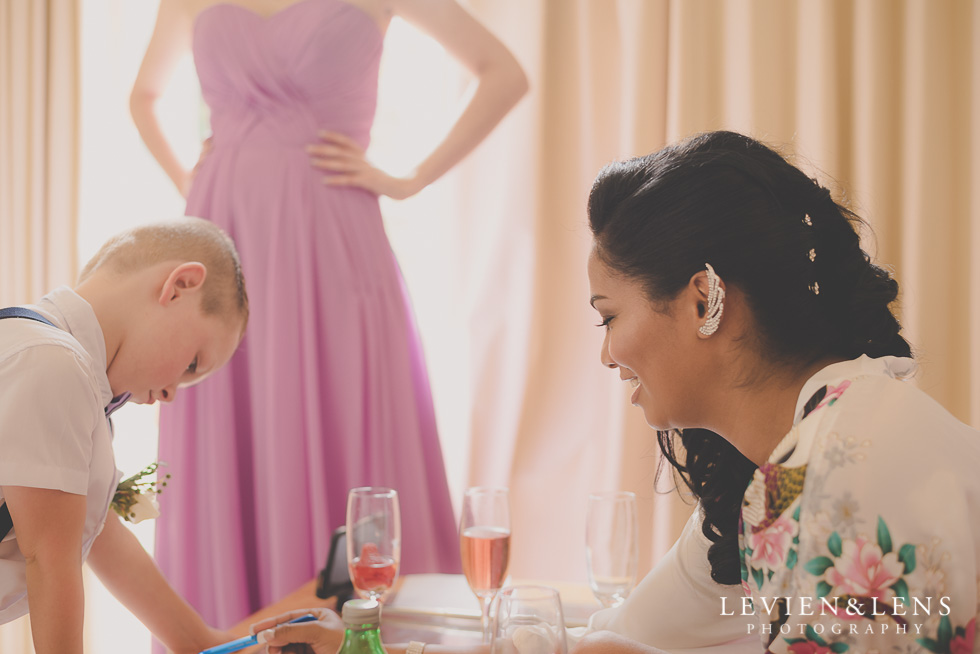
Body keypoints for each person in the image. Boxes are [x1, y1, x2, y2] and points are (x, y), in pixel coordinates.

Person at [248, 131, 980, 654]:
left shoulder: (852, 469)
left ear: (703, 301)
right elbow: (622, 636)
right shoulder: (785, 470)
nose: (606, 356)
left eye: (610, 317)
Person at [129, 0, 529, 628]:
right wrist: (196, 178)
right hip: (222, 233)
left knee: (342, 409)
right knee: (232, 406)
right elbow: (142, 98)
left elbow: (503, 72)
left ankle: (365, 630)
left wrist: (410, 178)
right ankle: (224, 635)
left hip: (331, 238)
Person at [0, 217, 249, 653]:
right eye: (193, 364)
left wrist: (202, 642)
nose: (171, 393)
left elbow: (98, 535)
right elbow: (50, 558)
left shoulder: (47, 357)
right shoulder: (52, 364)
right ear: (179, 285)